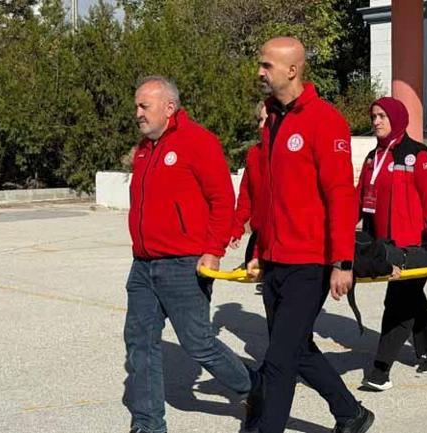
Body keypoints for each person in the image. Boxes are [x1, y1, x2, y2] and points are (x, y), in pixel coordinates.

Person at [245, 37, 374, 433]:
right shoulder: (271, 120)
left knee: (279, 361)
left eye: (267, 66)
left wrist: (342, 261)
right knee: (298, 349)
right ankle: (351, 413)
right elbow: (267, 195)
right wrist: (258, 249)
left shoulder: (324, 120)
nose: (260, 72)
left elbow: (339, 195)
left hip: (309, 263)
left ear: (292, 70)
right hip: (274, 260)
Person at [124, 76, 257, 433]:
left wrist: (213, 251)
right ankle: (148, 424)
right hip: (143, 268)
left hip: (184, 266)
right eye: (136, 105)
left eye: (143, 106)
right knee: (139, 345)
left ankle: (254, 388)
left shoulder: (198, 142)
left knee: (199, 345)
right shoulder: (143, 149)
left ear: (169, 107)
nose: (137, 113)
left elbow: (221, 200)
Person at [357, 96, 427, 392]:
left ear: (397, 118)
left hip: (414, 246)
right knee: (411, 299)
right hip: (383, 245)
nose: (376, 122)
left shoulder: (418, 155)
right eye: (374, 116)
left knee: (397, 303)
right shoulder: (373, 158)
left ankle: (380, 370)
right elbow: (358, 199)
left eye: (382, 116)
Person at [230, 102, 268, 279]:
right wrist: (236, 227)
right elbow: (246, 196)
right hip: (260, 236)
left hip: (287, 241)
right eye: (260, 120)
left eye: (266, 120)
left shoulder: (292, 154)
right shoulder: (254, 154)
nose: (261, 125)